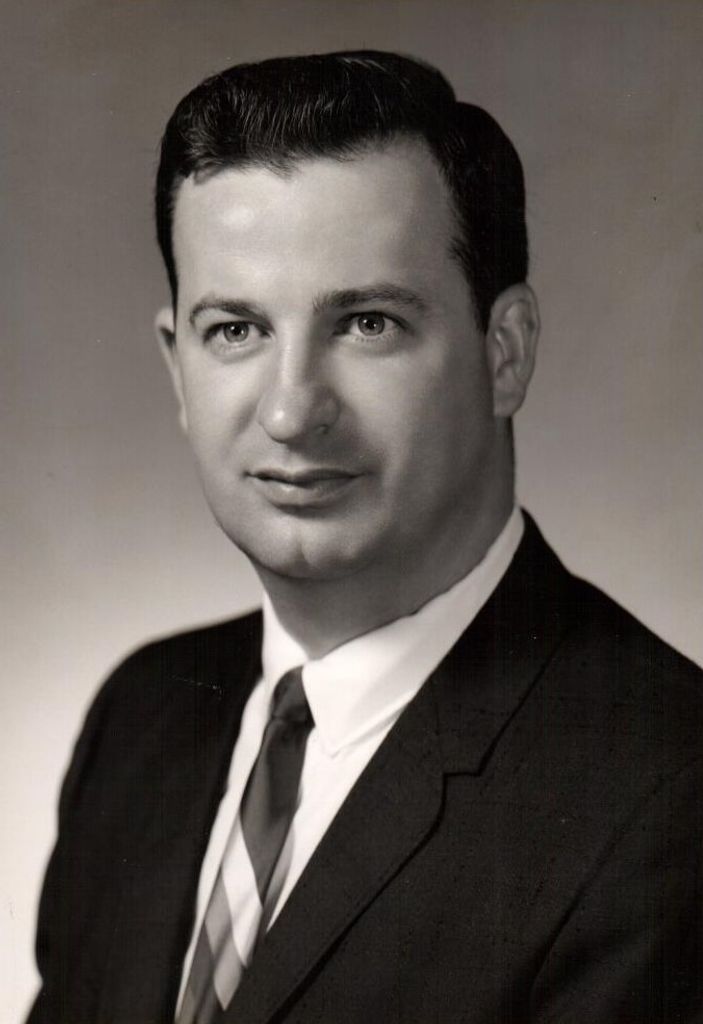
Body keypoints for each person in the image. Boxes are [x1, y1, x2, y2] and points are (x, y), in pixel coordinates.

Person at [27, 51, 702, 1024]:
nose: (292, 411)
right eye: (236, 330)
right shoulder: (142, 716)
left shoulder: (665, 794)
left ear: (504, 353)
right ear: (177, 369)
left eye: (368, 323)